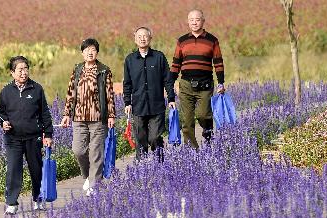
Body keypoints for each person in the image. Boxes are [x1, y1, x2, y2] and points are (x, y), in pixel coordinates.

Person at [0, 56, 54, 214]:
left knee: (36, 169)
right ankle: (11, 203)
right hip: (13, 138)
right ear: (12, 73)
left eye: (26, 69)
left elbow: (45, 114)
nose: (24, 72)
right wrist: (3, 122)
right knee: (13, 170)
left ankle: (38, 199)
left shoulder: (37, 89)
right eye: (20, 69)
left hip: (33, 138)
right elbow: (0, 112)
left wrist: (48, 134)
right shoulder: (6, 91)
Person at [59, 38, 116, 194]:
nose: (90, 52)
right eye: (87, 50)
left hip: (98, 118)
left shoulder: (104, 70)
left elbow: (109, 94)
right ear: (82, 52)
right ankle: (87, 176)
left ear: (97, 52)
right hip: (79, 117)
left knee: (96, 153)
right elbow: (70, 92)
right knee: (78, 150)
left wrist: (111, 115)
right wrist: (66, 114)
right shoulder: (77, 69)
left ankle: (94, 185)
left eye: (93, 50)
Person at [170, 9, 226, 150]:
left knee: (203, 115)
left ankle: (208, 135)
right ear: (188, 22)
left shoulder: (212, 40)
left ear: (203, 21)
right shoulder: (182, 41)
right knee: (187, 121)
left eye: (197, 19)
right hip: (186, 85)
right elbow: (176, 63)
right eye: (192, 20)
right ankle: (193, 152)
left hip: (205, 85)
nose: (194, 22)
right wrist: (170, 82)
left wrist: (221, 82)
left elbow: (218, 62)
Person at [123, 26, 175, 162]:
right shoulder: (130, 60)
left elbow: (167, 79)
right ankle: (142, 167)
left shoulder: (159, 57)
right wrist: (127, 102)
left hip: (156, 105)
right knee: (140, 139)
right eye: (139, 36)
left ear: (150, 38)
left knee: (154, 138)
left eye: (145, 36)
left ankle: (159, 164)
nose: (142, 39)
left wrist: (171, 98)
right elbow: (127, 83)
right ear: (135, 39)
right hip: (138, 106)